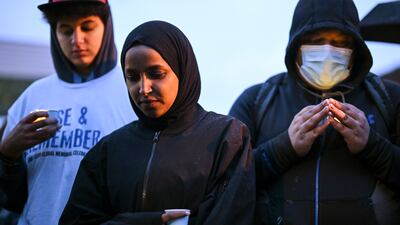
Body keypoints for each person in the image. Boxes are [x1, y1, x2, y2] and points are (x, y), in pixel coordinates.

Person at [59, 20, 255, 225]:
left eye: (156, 74)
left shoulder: (227, 138)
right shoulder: (107, 151)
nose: (143, 88)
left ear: (182, 69)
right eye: (132, 77)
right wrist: (153, 221)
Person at [229, 0, 400, 224]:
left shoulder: (389, 98)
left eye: (340, 42)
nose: (328, 51)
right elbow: (227, 184)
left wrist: (372, 147)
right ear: (296, 44)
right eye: (316, 41)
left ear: (355, 48)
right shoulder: (257, 100)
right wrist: (284, 148)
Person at [0, 1, 136, 225]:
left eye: (87, 27)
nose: (77, 39)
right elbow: (11, 200)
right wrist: (7, 154)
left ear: (107, 26)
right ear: (55, 33)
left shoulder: (132, 91)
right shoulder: (32, 96)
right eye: (66, 30)